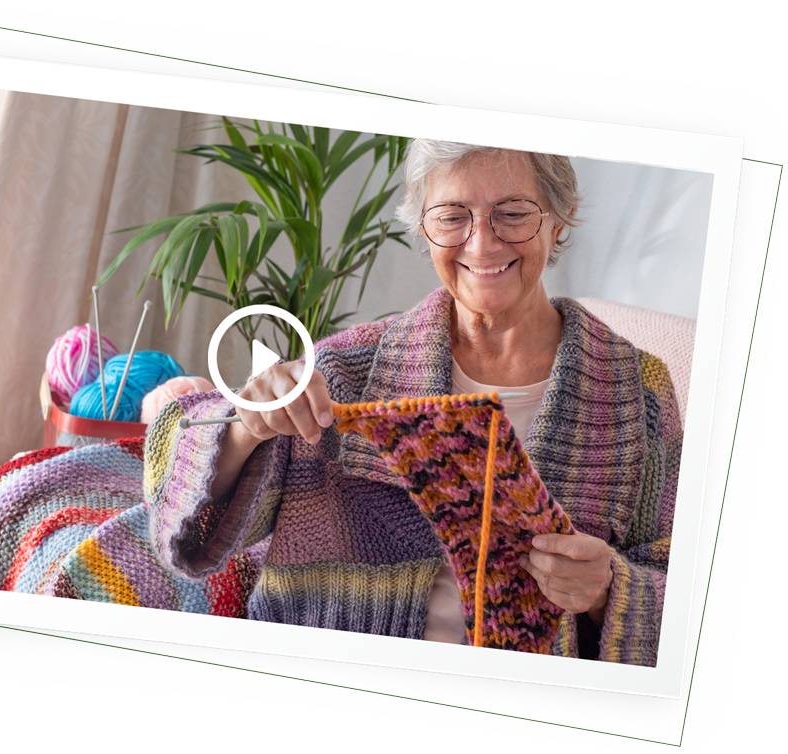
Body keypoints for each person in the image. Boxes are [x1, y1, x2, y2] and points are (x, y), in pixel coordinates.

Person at [144, 140, 680, 666]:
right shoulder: (342, 373)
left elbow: (691, 598)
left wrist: (610, 589)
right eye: (452, 216)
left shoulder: (639, 392)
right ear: (423, 227)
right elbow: (173, 491)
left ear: (560, 219)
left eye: (512, 213)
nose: (481, 244)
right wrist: (246, 428)